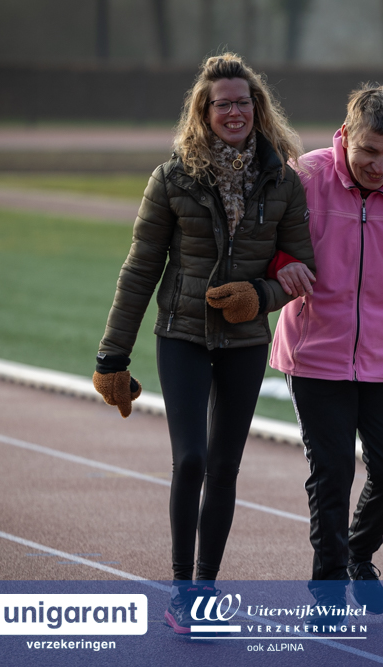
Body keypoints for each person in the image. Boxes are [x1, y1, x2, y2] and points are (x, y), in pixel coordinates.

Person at [93, 53, 316, 634]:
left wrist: (260, 295)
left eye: (243, 102)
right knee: (190, 458)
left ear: (257, 107)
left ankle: (205, 587)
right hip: (183, 334)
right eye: (223, 104)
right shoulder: (172, 178)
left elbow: (302, 269)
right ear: (204, 110)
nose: (234, 112)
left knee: (224, 467)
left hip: (245, 342)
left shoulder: (283, 182)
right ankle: (180, 587)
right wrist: (113, 355)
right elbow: (140, 269)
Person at [271, 84, 383, 613]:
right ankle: (327, 590)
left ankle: (359, 552)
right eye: (369, 151)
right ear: (345, 135)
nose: (380, 165)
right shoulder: (305, 177)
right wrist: (282, 263)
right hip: (316, 354)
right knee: (332, 475)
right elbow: (266, 245)